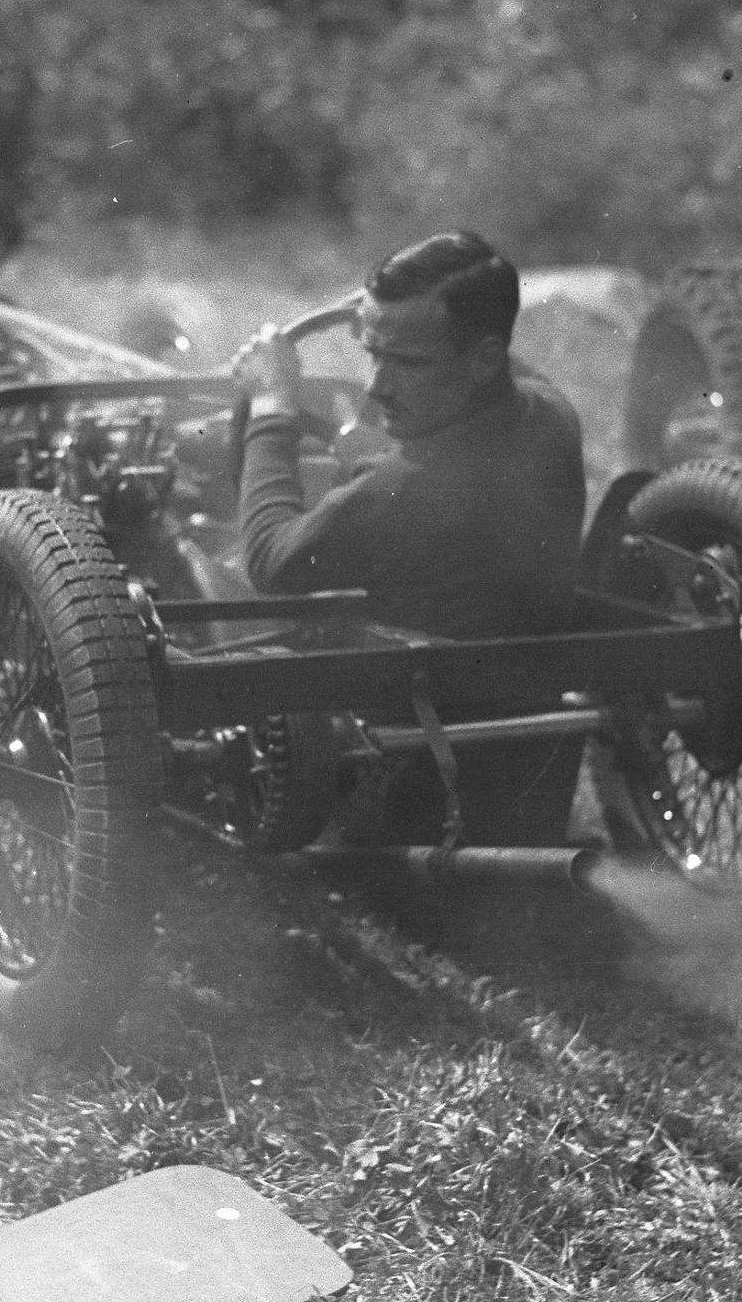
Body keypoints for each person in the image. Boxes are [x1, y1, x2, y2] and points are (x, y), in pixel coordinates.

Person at [231, 230, 588, 844]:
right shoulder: (552, 416)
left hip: (410, 791)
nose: (376, 388)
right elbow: (514, 369)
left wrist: (270, 407)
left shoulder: (401, 491)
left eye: (407, 363)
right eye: (375, 357)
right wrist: (397, 327)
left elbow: (268, 559)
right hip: (522, 742)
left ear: (482, 359)